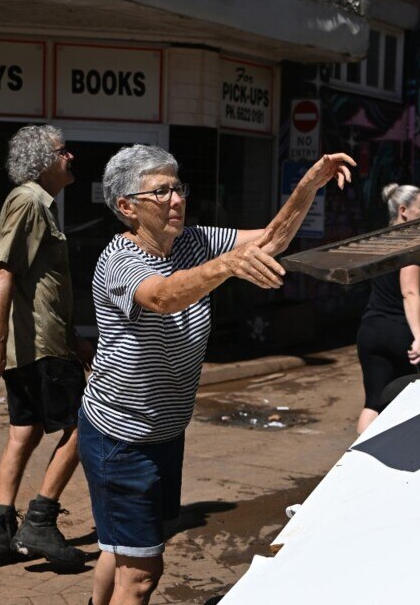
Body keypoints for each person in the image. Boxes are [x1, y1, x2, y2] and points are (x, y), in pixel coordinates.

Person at [81, 145, 354, 605]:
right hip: (121, 437)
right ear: (126, 207)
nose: (176, 200)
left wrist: (308, 186)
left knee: (124, 546)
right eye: (161, 192)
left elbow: (271, 239)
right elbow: (164, 296)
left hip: (164, 431)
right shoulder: (120, 260)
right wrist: (226, 265)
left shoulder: (193, 240)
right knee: (143, 572)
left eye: (178, 187)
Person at [0, 125, 96, 572]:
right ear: (42, 161)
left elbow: (44, 284)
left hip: (42, 342)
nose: (71, 157)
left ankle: (1, 533)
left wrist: (75, 336)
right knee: (88, 424)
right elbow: (2, 271)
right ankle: (41, 519)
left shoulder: (38, 204)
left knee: (23, 434)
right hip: (38, 345)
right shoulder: (28, 202)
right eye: (63, 151)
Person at [354, 183, 420, 435]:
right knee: (418, 402)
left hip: (371, 331)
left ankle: (358, 462)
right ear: (403, 210)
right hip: (401, 334)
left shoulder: (381, 240)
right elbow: (410, 292)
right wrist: (419, 338)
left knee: (373, 403)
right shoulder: (412, 245)